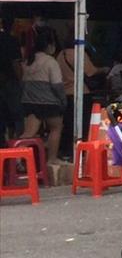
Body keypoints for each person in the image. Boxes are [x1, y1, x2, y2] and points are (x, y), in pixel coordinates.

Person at [20, 25, 66, 167]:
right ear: (50, 46)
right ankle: (51, 158)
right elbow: (57, 85)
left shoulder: (28, 60)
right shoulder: (50, 62)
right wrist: (63, 100)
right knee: (56, 128)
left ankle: (16, 157)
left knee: (29, 133)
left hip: (29, 102)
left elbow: (23, 82)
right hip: (48, 103)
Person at [59, 31, 106, 159]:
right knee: (84, 124)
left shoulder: (60, 54)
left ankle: (67, 150)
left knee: (68, 123)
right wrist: (105, 69)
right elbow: (91, 72)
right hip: (81, 93)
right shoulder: (79, 53)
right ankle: (82, 150)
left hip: (65, 93)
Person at [0, 16, 23, 140]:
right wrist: (20, 80)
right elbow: (16, 64)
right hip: (10, 82)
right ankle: (16, 142)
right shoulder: (12, 41)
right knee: (16, 114)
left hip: (6, 80)